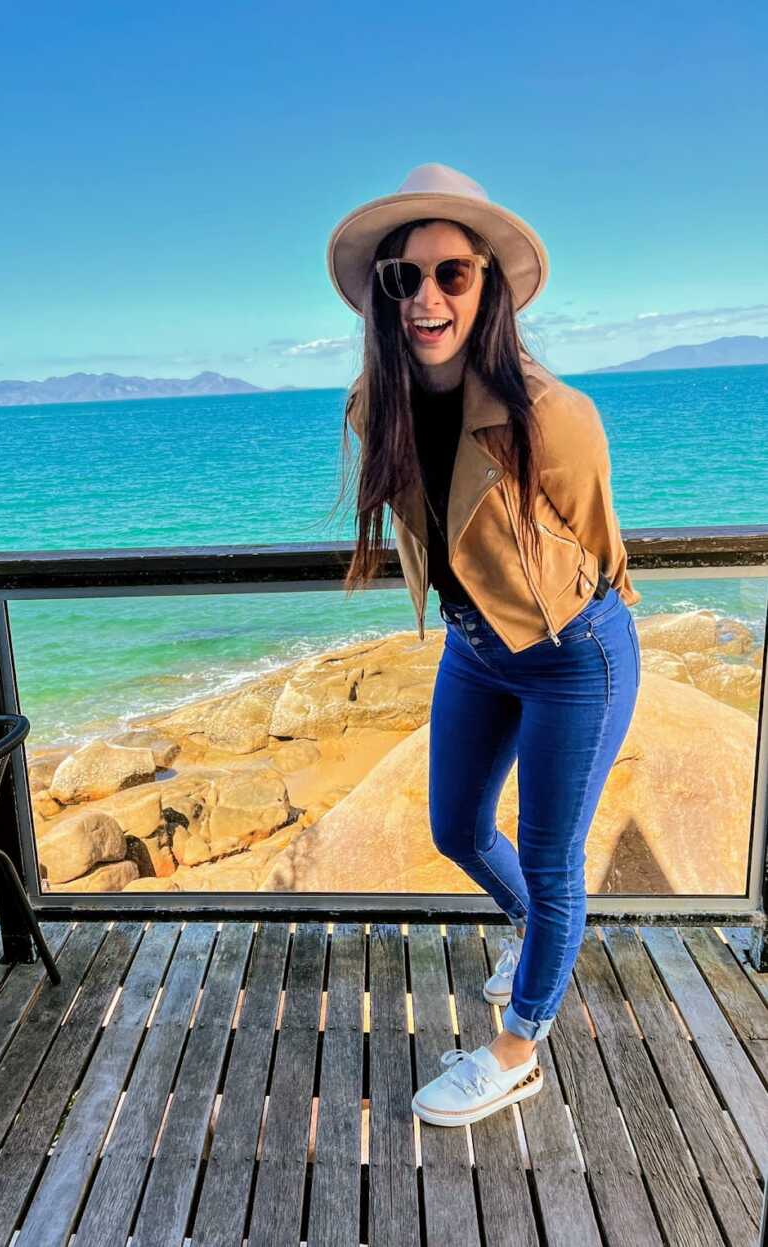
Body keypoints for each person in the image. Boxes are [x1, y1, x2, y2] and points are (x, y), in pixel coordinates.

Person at [326, 163, 642, 1128]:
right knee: (456, 827)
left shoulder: (553, 413)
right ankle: (533, 928)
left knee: (552, 861)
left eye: (451, 274)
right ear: (383, 297)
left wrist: (577, 625)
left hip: (569, 653)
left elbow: (598, 535)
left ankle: (518, 1048)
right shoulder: (374, 405)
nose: (426, 296)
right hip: (476, 648)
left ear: (486, 286)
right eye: (403, 278)